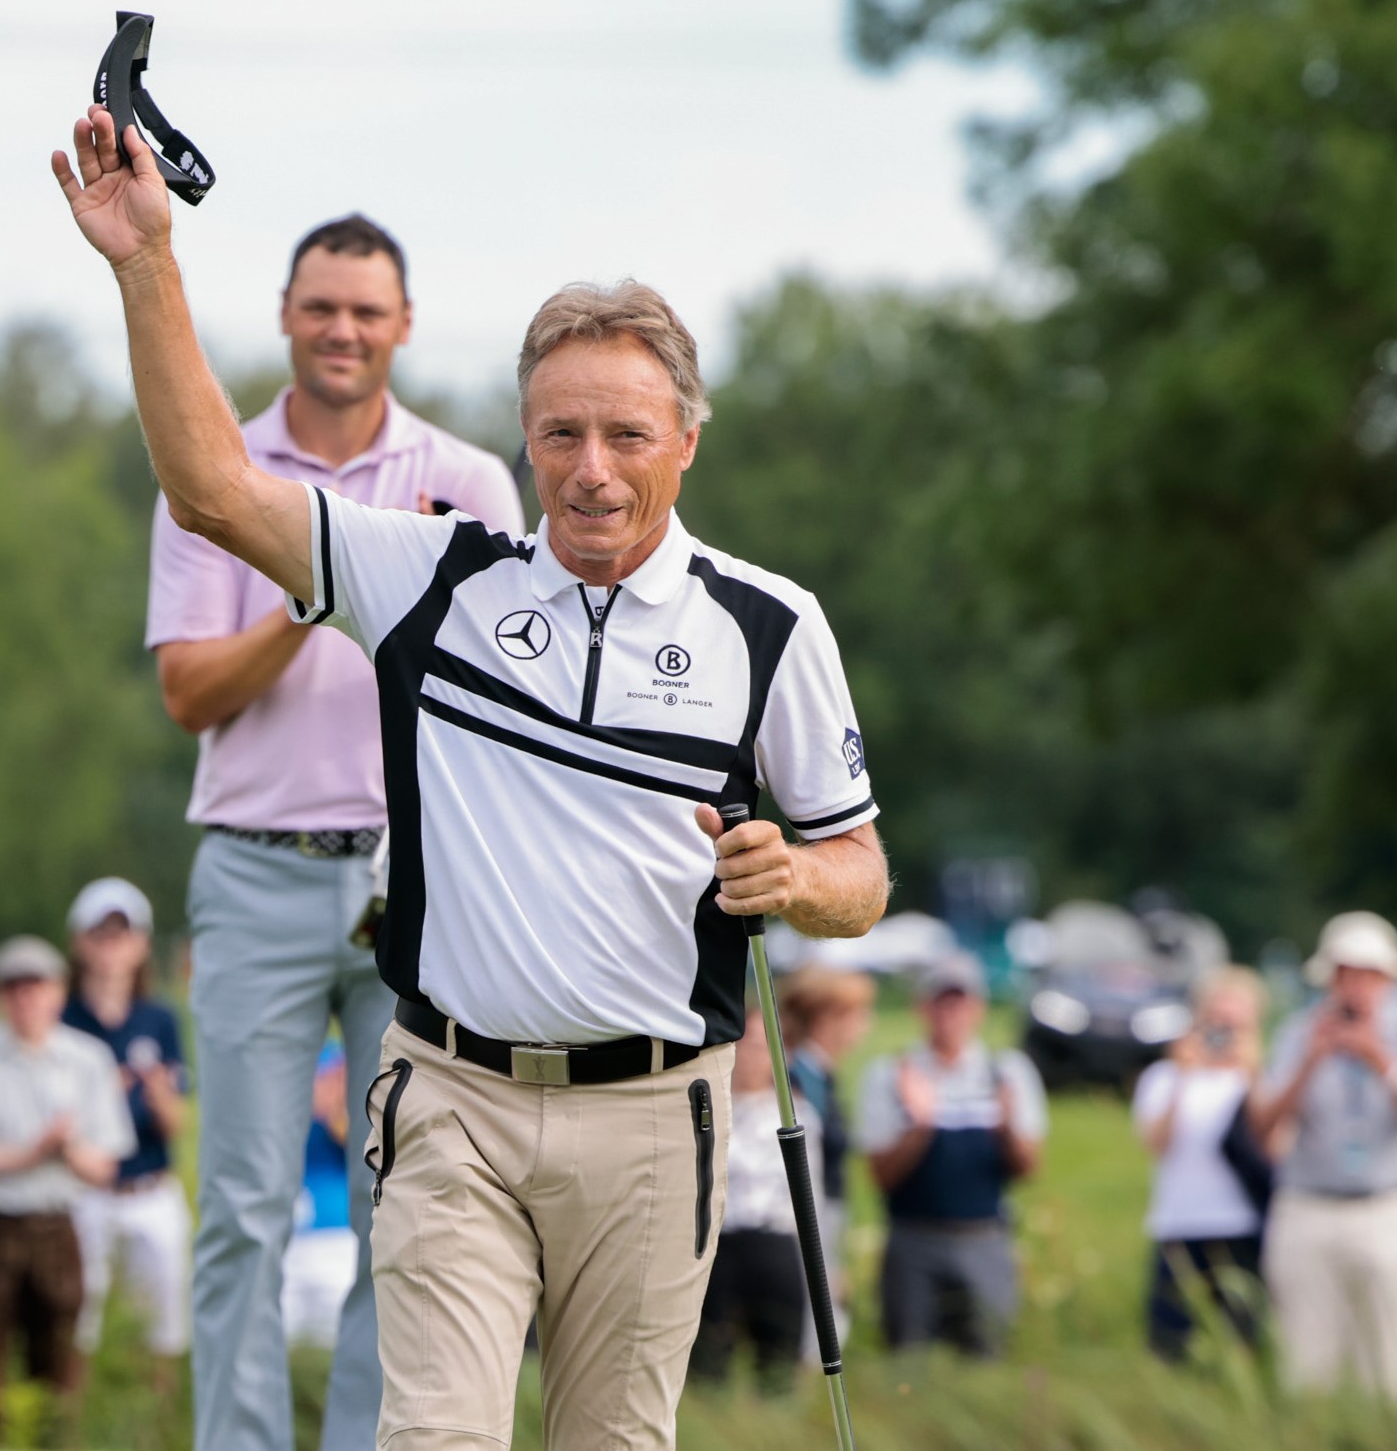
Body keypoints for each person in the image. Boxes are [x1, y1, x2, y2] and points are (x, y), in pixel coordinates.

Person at [56, 106, 887, 1448]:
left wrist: (792, 876)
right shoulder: (434, 579)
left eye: (624, 435)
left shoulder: (769, 627)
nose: (589, 472)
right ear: (523, 437)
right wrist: (145, 259)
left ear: (686, 438)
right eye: (557, 434)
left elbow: (860, 876)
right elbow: (213, 488)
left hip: (657, 1109)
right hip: (451, 1101)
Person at [141, 209, 525, 1451]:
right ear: (285, 315)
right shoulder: (215, 468)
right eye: (321, 306)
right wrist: (320, 587)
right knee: (243, 1206)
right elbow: (189, 691)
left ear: (403, 325)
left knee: (401, 1201)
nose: (343, 329)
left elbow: (505, 700)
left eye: (367, 310)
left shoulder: (466, 484)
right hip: (256, 870)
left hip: (419, 879)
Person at [0, 937, 134, 1447]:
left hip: (56, 1222)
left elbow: (103, 1164)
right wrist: (27, 1154)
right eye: (14, 990)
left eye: (36, 988)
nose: (26, 1001)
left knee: (58, 1367)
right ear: (0, 997)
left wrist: (63, 1147)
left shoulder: (86, 1059)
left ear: (57, 993)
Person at [1252, 911, 1397, 1404]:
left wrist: (1380, 1059)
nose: (1357, 986)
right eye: (1347, 973)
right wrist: (1309, 1061)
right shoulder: (1299, 1032)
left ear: (1387, 979)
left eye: (1369, 974)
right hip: (1308, 1207)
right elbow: (1264, 1125)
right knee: (1306, 1368)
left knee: (1386, 1367)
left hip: (1388, 1208)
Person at [857, 951, 1048, 1358]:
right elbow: (880, 1177)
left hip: (984, 1237)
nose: (950, 1012)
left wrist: (1008, 1126)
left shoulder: (1007, 1072)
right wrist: (919, 1126)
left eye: (960, 1001)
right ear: (922, 1006)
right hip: (913, 1237)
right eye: (941, 1000)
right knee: (907, 1357)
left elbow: (1029, 1168)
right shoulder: (891, 1075)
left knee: (988, 1353)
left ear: (977, 1008)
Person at [58, 878, 191, 1387]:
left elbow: (175, 1121)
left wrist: (157, 1092)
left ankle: (152, 1428)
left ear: (140, 945)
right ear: (80, 942)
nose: (112, 946)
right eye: (100, 934)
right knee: (78, 1323)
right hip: (86, 1191)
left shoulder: (159, 1019)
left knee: (163, 1324)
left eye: (123, 934)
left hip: (149, 1185)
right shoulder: (64, 1019)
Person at [1132, 966, 1269, 1360]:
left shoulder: (1258, 1079)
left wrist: (1254, 1074)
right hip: (1179, 1223)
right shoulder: (1165, 1077)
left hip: (1240, 1224)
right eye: (1217, 1021)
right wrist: (1182, 1076)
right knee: (1168, 1342)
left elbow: (1274, 1145)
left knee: (1243, 1342)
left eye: (1235, 1024)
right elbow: (1156, 1143)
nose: (1224, 1032)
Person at [691, 1009, 821, 1392]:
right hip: (718, 1248)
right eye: (743, 1046)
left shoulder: (799, 1117)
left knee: (778, 1366)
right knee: (709, 1365)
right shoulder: (705, 1113)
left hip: (775, 1246)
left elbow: (810, 1204)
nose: (751, 1057)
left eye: (763, 1048)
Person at [780, 966, 872, 1340]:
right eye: (858, 1014)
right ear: (828, 1017)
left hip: (826, 1217)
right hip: (806, 1222)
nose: (866, 1025)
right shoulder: (801, 1079)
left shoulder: (821, 1073)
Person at [279, 1042, 360, 1351]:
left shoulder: (340, 1056)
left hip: (336, 1235)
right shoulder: (271, 1054)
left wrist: (333, 1105)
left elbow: (359, 1140)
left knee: (340, 1349)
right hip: (285, 1236)